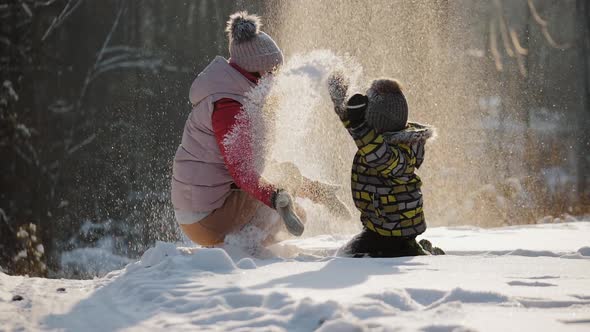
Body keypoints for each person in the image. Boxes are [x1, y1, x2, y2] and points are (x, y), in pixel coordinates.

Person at [171, 11, 347, 247]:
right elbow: (243, 171)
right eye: (273, 72)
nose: (276, 78)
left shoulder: (234, 91)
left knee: (287, 183)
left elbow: (259, 166)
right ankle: (244, 256)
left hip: (205, 208)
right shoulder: (229, 106)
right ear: (256, 70)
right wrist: (275, 197)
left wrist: (314, 191)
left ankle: (245, 248)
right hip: (205, 218)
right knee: (287, 218)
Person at [328, 72, 444, 257]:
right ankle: (421, 250)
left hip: (392, 232)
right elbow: (363, 137)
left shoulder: (401, 153)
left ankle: (425, 253)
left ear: (376, 120)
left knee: (347, 257)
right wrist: (341, 102)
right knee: (348, 253)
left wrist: (359, 125)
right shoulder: (373, 140)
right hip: (380, 227)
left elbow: (378, 155)